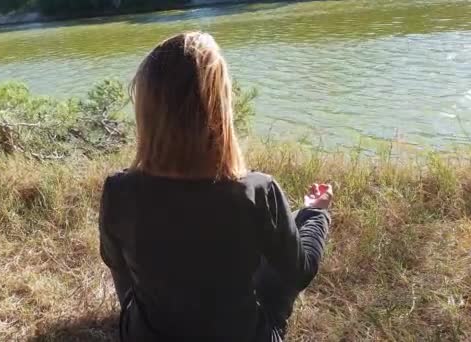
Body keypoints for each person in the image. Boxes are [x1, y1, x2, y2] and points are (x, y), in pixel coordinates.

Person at [98, 32, 332, 342]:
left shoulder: (118, 191)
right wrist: (315, 215)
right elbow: (299, 272)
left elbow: (118, 268)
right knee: (277, 264)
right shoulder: (258, 192)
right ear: (220, 108)